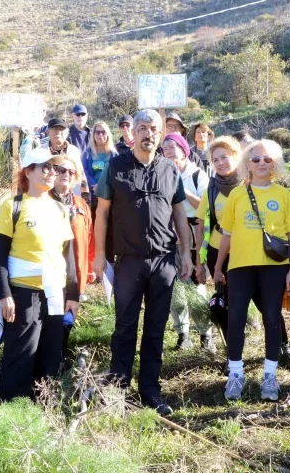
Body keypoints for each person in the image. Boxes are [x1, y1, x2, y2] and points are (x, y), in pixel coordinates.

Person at [92, 109, 195, 416]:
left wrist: (186, 253)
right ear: (132, 133)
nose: (147, 134)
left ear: (160, 132)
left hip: (163, 260)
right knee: (125, 326)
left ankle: (150, 390)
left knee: (156, 327)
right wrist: (99, 255)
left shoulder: (169, 169)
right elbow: (102, 213)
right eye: (141, 128)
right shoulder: (115, 167)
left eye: (153, 129)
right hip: (128, 261)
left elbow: (179, 213)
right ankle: (118, 390)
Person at [196, 137, 290, 371]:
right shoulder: (219, 190)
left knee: (271, 312)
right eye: (215, 159)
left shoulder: (282, 194)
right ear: (249, 162)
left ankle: (279, 356)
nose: (221, 162)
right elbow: (213, 227)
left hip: (270, 262)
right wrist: (210, 264)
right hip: (233, 260)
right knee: (232, 312)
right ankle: (234, 364)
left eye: (225, 157)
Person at [0, 148, 75, 401]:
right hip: (23, 292)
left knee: (51, 353)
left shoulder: (61, 208)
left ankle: (44, 408)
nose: (53, 172)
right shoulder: (13, 206)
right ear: (29, 171)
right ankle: (14, 409)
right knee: (21, 353)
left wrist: (73, 294)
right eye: (46, 167)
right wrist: (4, 294)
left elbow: (67, 254)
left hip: (55, 293)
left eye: (56, 168)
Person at [160, 133, 215, 353]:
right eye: (164, 148)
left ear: (184, 149)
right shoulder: (162, 173)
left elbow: (206, 205)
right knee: (175, 289)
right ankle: (182, 334)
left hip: (194, 235)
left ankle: (205, 335)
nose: (168, 151)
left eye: (172, 146)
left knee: (196, 286)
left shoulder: (197, 175)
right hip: (169, 236)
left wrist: (183, 193)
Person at [49, 156, 95, 356]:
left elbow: (90, 237)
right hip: (50, 275)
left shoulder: (81, 205)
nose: (66, 174)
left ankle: (60, 358)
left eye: (71, 172)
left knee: (68, 319)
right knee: (50, 321)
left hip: (76, 274)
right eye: (61, 170)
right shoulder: (43, 200)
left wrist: (90, 269)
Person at [81, 121, 117, 209]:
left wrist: (104, 187)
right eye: (97, 132)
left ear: (108, 134)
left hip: (109, 193)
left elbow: (117, 173)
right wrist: (95, 186)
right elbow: (84, 172)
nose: (100, 135)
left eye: (103, 132)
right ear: (93, 135)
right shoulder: (87, 154)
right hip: (92, 194)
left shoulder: (114, 154)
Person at [45, 118, 85, 196]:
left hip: (69, 194)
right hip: (46, 194)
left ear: (67, 133)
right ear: (48, 132)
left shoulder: (75, 151)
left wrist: (85, 195)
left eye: (61, 129)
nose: (58, 132)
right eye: (54, 129)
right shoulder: (40, 151)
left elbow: (81, 175)